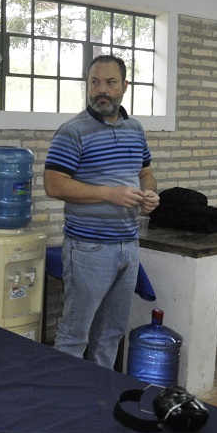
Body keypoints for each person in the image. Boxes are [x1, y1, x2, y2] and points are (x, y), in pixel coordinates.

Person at [44, 55, 159, 369]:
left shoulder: (135, 128)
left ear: (125, 86)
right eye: (95, 82)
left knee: (111, 333)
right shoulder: (72, 131)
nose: (101, 90)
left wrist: (150, 193)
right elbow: (54, 185)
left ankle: (99, 392)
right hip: (88, 249)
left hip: (128, 246)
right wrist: (110, 193)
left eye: (110, 82)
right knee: (74, 335)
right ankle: (65, 393)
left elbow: (146, 173)